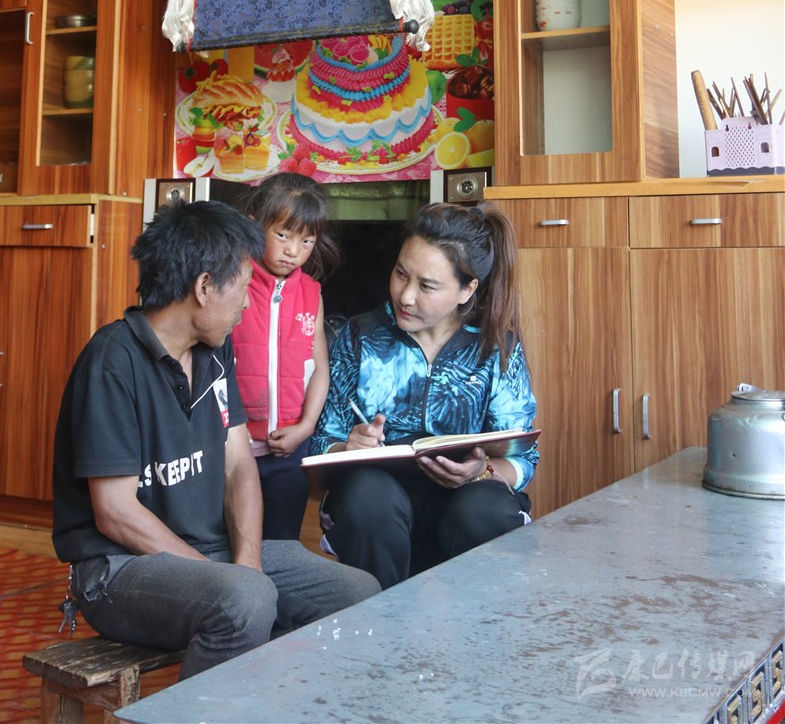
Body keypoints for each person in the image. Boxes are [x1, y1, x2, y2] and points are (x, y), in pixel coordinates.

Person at [52, 200, 379, 681]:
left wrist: (247, 562)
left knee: (357, 593)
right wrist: (227, 578)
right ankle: (201, 711)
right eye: (243, 287)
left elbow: (238, 466)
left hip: (215, 552)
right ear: (204, 287)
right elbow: (115, 512)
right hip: (119, 569)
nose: (247, 304)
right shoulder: (112, 362)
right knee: (244, 599)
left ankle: (278, 705)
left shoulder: (214, 350)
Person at [309, 202, 538, 590]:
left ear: (467, 290)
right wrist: (346, 448)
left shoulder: (496, 347)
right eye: (401, 273)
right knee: (367, 498)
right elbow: (323, 439)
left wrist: (482, 471)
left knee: (485, 509)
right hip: (381, 506)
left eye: (427, 286)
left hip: (463, 502)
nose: (405, 296)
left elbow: (524, 457)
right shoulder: (360, 335)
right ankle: (379, 621)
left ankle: (476, 624)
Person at [233, 174, 336, 540]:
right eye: (283, 235)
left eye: (307, 241)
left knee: (282, 542)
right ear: (253, 227)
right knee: (232, 541)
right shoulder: (234, 283)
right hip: (233, 448)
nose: (294, 250)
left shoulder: (311, 292)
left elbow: (320, 368)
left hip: (290, 449)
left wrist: (306, 427)